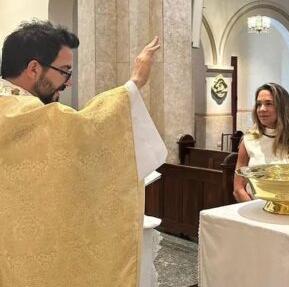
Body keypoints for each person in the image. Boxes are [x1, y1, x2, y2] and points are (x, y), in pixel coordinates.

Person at [0, 20, 167, 287]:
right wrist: (134, 84)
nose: (68, 82)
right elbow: (86, 130)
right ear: (33, 68)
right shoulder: (24, 114)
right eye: (64, 71)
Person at [233, 82, 289, 202]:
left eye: (269, 104)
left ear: (282, 107)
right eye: (259, 104)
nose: (262, 109)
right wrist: (255, 212)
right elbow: (238, 189)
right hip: (254, 210)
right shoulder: (248, 141)